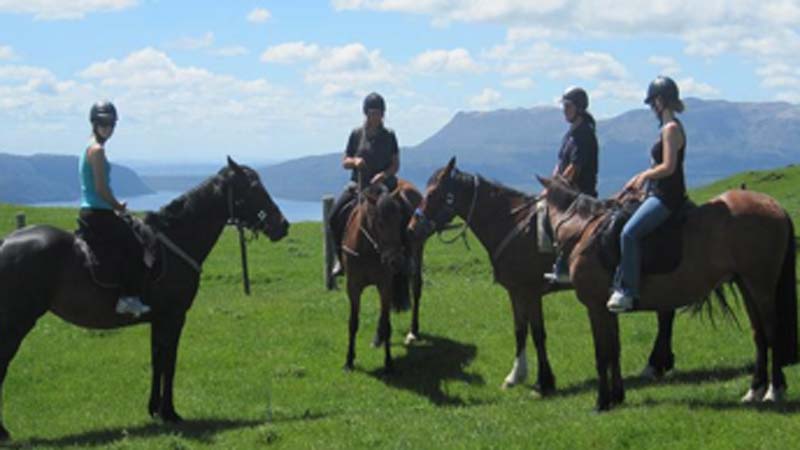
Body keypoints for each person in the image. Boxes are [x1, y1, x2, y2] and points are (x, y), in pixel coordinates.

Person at [607, 76, 688, 312]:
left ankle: (628, 291)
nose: (652, 107)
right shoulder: (665, 128)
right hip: (657, 192)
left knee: (629, 234)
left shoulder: (671, 128)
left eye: (653, 102)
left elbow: (669, 167)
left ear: (661, 101)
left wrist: (644, 176)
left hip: (667, 197)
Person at [79, 100, 150, 317]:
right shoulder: (97, 150)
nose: (107, 128)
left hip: (92, 211)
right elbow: (101, 188)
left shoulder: (88, 146)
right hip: (99, 212)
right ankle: (127, 298)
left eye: (110, 124)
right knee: (136, 245)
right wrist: (118, 206)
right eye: (103, 123)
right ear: (94, 123)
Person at [328, 92, 400, 276]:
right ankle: (341, 259)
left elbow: (395, 165)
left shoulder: (389, 136)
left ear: (383, 114)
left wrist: (383, 175)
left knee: (404, 215)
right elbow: (345, 161)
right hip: (357, 186)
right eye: (371, 112)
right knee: (334, 217)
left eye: (378, 113)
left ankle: (405, 258)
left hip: (384, 189)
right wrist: (355, 162)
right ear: (365, 113)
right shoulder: (356, 134)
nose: (375, 116)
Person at [543, 86, 599, 284]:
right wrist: (550, 184)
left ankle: (563, 264)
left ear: (579, 108)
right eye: (564, 106)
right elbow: (560, 165)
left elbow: (574, 169)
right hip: (564, 191)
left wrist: (554, 188)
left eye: (568, 106)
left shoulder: (584, 134)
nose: (564, 110)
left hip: (580, 194)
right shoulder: (570, 134)